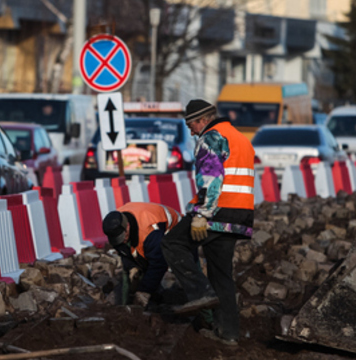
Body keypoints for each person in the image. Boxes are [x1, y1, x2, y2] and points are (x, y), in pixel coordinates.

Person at [162, 99, 255, 346]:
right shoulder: (240, 138)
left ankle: (201, 294)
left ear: (203, 120)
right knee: (221, 273)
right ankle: (229, 333)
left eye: (191, 124)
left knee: (172, 244)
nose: (191, 130)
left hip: (217, 212)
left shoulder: (212, 137)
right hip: (240, 215)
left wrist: (202, 214)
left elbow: (212, 178)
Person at [102, 202, 181, 307]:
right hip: (145, 233)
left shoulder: (150, 232)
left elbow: (159, 263)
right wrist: (131, 266)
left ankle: (200, 305)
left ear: (128, 227)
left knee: (186, 270)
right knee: (141, 266)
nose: (122, 241)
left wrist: (144, 290)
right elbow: (124, 251)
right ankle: (155, 299)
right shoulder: (115, 225)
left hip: (178, 231)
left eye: (123, 237)